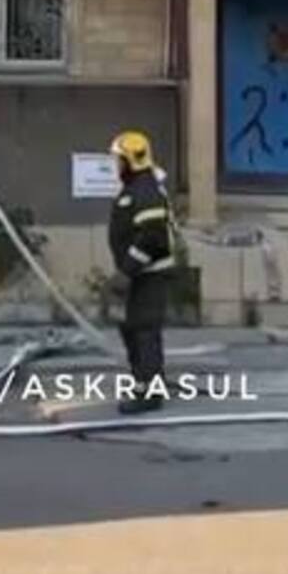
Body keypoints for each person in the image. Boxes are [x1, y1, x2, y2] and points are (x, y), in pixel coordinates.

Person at [108, 131, 178, 415]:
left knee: (144, 331)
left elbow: (153, 238)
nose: (116, 165)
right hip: (140, 275)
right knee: (133, 330)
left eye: (118, 159)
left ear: (128, 160)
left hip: (148, 275)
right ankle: (144, 383)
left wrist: (126, 271)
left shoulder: (145, 190)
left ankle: (149, 393)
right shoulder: (139, 186)